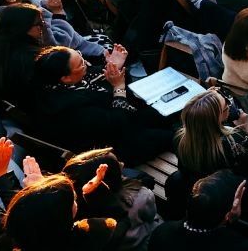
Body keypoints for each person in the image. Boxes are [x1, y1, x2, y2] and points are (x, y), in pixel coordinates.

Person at [32, 45, 174, 165]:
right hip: (110, 148)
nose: (86, 63)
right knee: (169, 137)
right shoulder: (68, 107)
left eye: (81, 56)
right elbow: (116, 123)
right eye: (81, 63)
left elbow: (97, 78)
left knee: (163, 116)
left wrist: (113, 67)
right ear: (65, 78)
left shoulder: (68, 82)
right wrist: (119, 86)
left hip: (120, 120)